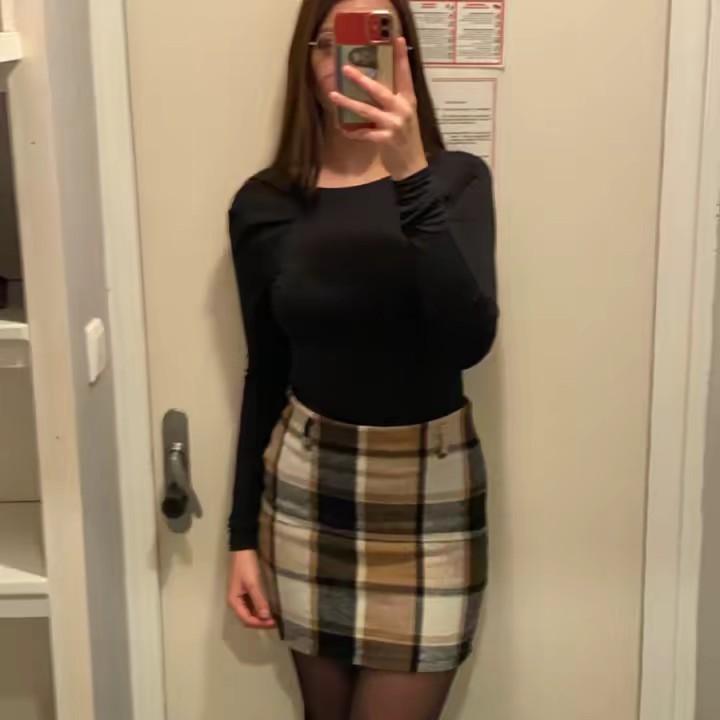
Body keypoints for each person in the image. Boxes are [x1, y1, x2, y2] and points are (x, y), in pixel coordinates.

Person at [225, 0, 498, 718]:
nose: (350, 59)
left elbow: (469, 341)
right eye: (332, 42)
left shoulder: (457, 180)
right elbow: (265, 371)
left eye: (380, 37)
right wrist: (240, 538)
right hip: (307, 491)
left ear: (406, 56)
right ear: (308, 61)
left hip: (431, 495)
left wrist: (410, 176)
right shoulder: (265, 204)